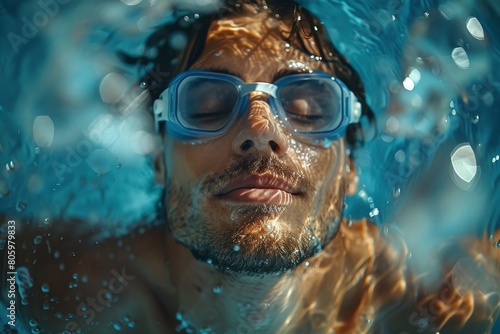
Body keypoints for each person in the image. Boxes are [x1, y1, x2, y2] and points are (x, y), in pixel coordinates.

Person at [1, 0, 499, 333]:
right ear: (158, 159)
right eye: (208, 102)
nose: (260, 129)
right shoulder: (51, 283)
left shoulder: (428, 296)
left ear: (348, 169)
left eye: (308, 107)